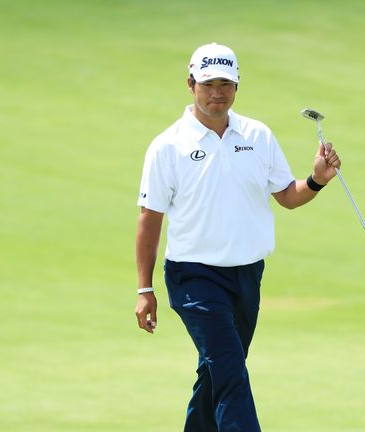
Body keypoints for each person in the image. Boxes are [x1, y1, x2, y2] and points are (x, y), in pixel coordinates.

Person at [134, 42, 341, 432]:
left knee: (216, 375)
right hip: (194, 278)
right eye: (208, 83)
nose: (217, 92)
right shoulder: (168, 146)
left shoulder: (257, 136)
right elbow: (150, 219)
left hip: (247, 276)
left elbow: (287, 197)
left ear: (237, 87)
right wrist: (144, 289)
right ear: (191, 83)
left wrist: (316, 180)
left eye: (226, 83)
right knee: (230, 373)